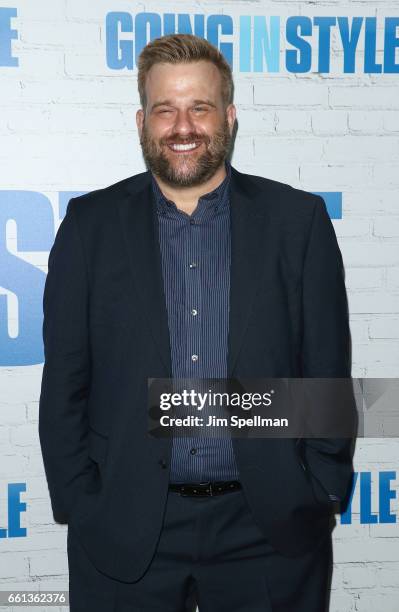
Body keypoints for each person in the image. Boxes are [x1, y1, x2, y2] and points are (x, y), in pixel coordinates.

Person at [39, 33, 355, 612]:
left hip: (269, 531)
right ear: (142, 121)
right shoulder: (89, 227)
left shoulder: (298, 222)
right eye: (166, 109)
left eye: (200, 107)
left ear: (229, 117)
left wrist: (321, 487)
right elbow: (63, 384)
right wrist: (82, 504)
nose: (183, 126)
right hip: (125, 530)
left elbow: (328, 372)